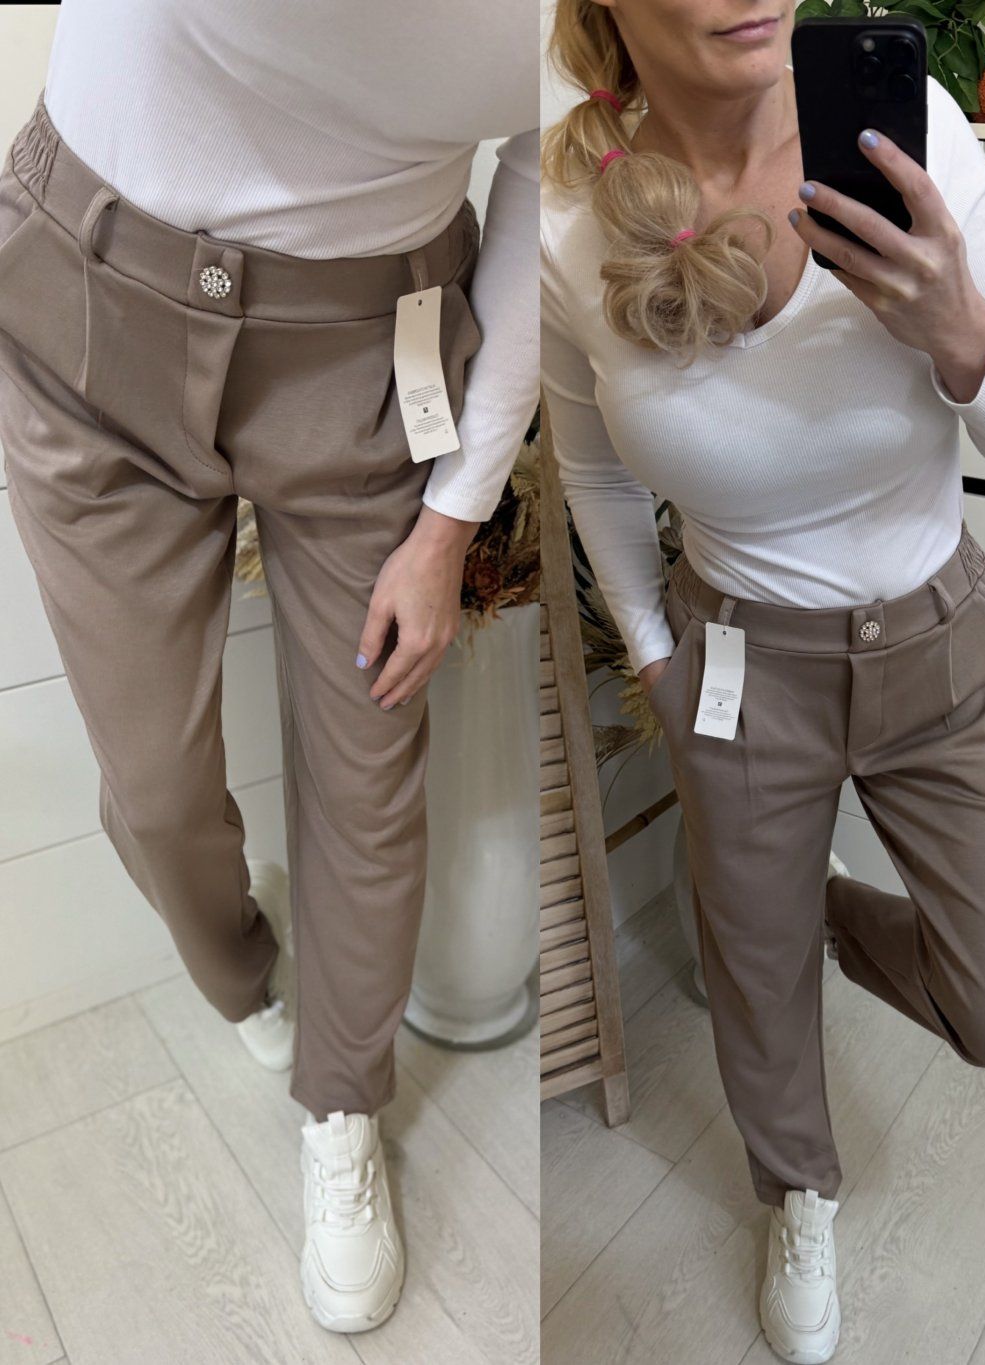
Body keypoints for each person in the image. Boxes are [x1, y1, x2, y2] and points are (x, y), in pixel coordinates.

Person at [0, 0, 538, 1336]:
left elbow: (553, 176)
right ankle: (246, 972)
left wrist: (452, 519)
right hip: (93, 301)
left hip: (375, 346)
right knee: (155, 789)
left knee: (368, 776)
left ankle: (344, 1106)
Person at [540, 0, 985, 1360]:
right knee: (753, 986)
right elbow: (589, 467)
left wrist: (963, 328)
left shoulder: (912, 134)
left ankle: (799, 908)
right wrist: (652, 650)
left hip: (936, 640)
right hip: (737, 662)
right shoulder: (567, 218)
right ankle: (797, 1187)